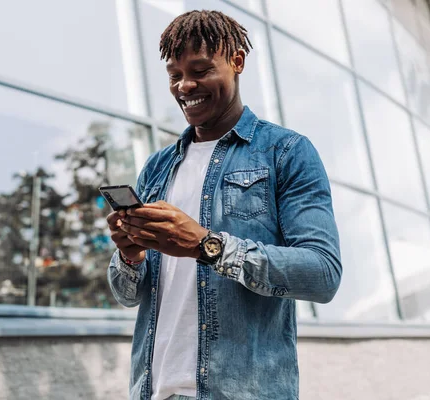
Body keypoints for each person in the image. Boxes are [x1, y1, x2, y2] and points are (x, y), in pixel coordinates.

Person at [106, 9, 342, 400]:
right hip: (153, 391)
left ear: (237, 61)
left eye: (199, 70)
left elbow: (322, 274)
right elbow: (128, 296)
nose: (185, 86)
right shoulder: (159, 167)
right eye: (174, 75)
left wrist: (206, 246)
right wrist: (130, 256)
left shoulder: (285, 152)